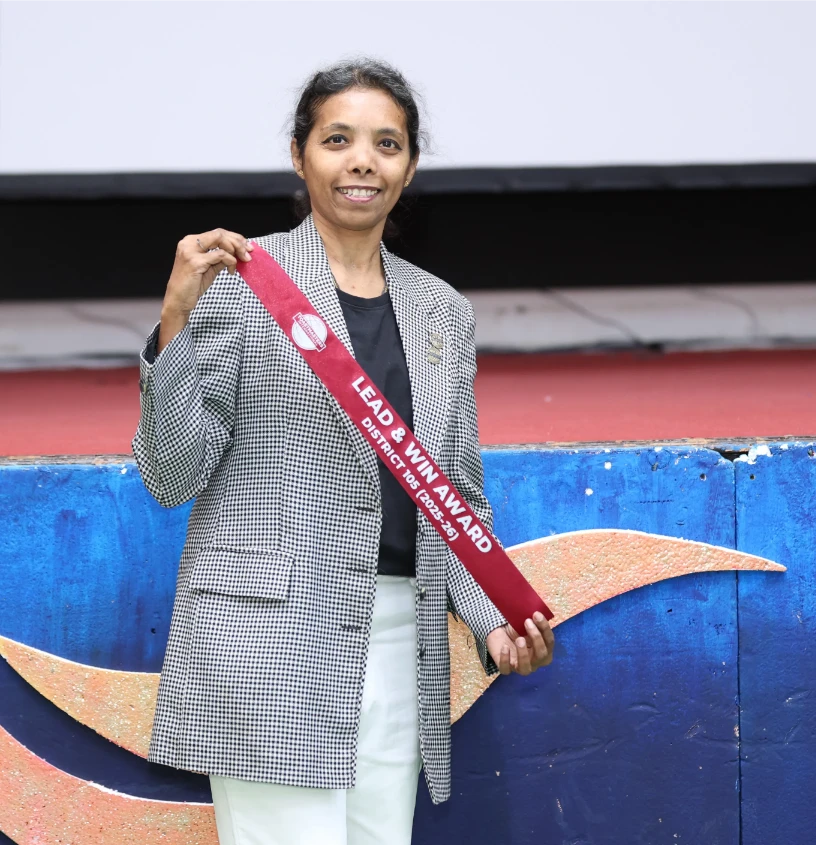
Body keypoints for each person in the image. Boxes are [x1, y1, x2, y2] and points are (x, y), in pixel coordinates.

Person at [133, 58, 555, 845]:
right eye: (338, 140)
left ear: (410, 167)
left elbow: (454, 495)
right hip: (270, 642)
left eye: (386, 144)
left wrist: (491, 617)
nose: (363, 160)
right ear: (299, 155)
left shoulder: (442, 309)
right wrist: (176, 318)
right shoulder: (242, 281)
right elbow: (171, 472)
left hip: (401, 642)